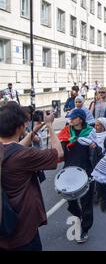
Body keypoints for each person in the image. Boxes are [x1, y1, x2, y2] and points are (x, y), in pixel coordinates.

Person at [0, 103, 63, 251]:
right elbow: (58, 152)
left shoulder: (9, 151)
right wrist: (49, 126)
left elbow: (14, 147)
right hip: (22, 230)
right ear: (21, 126)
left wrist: (33, 131)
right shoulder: (24, 155)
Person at [57, 109, 101, 243]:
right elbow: (58, 150)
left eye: (73, 117)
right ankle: (78, 215)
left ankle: (85, 229)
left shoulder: (91, 132)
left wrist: (94, 146)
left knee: (86, 202)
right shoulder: (65, 132)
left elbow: (99, 151)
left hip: (86, 170)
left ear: (80, 119)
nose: (71, 119)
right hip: (69, 171)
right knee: (71, 202)